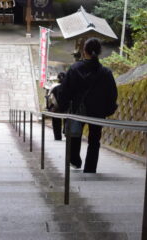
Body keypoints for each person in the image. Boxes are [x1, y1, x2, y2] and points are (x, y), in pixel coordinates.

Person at [63, 37, 118, 173]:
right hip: (97, 111)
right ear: (99, 52)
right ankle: (90, 168)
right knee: (94, 140)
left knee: (74, 135)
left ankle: (75, 160)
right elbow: (112, 94)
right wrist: (107, 109)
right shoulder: (106, 72)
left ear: (84, 51)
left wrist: (65, 107)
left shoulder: (75, 69)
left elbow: (65, 90)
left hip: (78, 109)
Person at [46, 72, 67, 140]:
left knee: (56, 122)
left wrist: (49, 107)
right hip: (67, 109)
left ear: (58, 79)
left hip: (56, 109)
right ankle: (66, 132)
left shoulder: (54, 87)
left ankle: (57, 136)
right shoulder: (69, 87)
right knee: (67, 120)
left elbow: (50, 98)